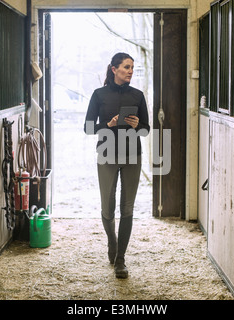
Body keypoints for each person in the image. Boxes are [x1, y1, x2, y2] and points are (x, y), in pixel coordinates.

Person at [83, 52, 150, 279]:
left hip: (132, 155)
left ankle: (120, 259)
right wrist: (108, 124)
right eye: (126, 67)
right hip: (106, 154)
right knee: (107, 207)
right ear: (114, 69)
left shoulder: (138, 95)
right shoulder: (99, 95)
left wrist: (137, 125)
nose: (130, 71)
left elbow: (146, 130)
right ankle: (112, 242)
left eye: (132, 67)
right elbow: (88, 128)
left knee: (127, 208)